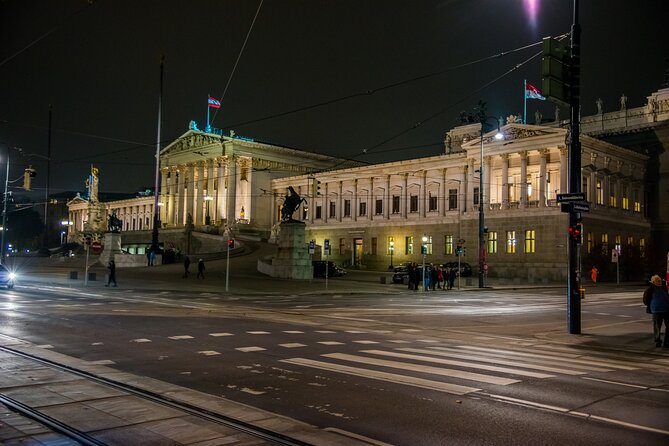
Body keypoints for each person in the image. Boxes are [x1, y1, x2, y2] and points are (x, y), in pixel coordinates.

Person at [643, 275, 669, 348]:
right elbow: (645, 300)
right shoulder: (649, 290)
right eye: (658, 281)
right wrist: (652, 306)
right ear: (653, 282)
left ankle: (667, 342)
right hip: (657, 311)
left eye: (660, 280)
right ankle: (658, 341)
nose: (659, 282)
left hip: (666, 310)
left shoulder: (663, 288)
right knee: (657, 327)